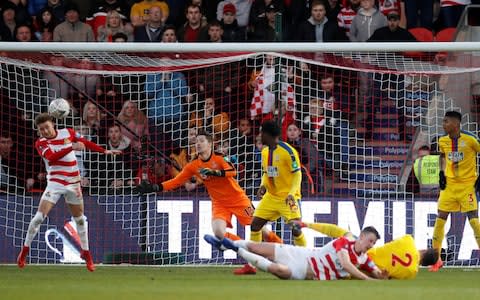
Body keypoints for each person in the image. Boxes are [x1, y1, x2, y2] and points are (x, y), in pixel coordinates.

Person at [136, 129, 282, 274]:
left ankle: (281, 249)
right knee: (219, 233)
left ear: (210, 144)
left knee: (261, 229)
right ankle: (247, 249)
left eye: (201, 141)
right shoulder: (193, 165)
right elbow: (177, 181)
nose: (198, 144)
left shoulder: (219, 158)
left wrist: (214, 173)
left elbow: (232, 172)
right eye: (196, 141)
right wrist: (155, 187)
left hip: (238, 200)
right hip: (219, 203)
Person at [16, 113, 121, 272]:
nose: (45, 131)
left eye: (47, 127)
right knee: (38, 218)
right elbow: (51, 158)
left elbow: (84, 142)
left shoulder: (68, 133)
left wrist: (104, 151)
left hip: (73, 182)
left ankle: (86, 254)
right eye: (41, 129)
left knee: (79, 220)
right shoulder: (41, 143)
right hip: (55, 183)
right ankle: (25, 250)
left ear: (53, 125)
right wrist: (70, 147)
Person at [204, 226, 388, 280]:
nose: (371, 245)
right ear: (362, 236)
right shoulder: (344, 242)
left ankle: (234, 248)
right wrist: (368, 280)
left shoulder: (364, 258)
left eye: (374, 243)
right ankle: (224, 246)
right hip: (301, 254)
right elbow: (346, 264)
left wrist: (383, 275)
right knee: (255, 247)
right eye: (370, 241)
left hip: (303, 271)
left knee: (280, 271)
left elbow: (377, 272)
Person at [292, 221, 439, 279]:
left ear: (425, 250)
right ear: (425, 264)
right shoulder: (412, 272)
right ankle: (300, 239)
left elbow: (392, 244)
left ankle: (305, 226)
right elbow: (388, 277)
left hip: (362, 255)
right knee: (311, 267)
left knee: (345, 234)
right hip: (361, 271)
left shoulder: (409, 240)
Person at [430, 111, 480, 272]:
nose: (443, 124)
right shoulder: (442, 140)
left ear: (456, 124)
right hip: (449, 187)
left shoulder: (471, 140)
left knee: (473, 220)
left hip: (467, 186)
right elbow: (443, 157)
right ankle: (436, 259)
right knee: (440, 219)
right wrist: (441, 173)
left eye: (446, 122)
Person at [250, 121, 306, 248]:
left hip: (288, 197)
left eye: (262, 133)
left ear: (268, 135)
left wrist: (291, 194)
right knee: (255, 225)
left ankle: (306, 260)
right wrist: (263, 185)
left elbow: (297, 174)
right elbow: (267, 171)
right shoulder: (265, 152)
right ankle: (253, 263)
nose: (260, 136)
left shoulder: (288, 152)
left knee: (296, 228)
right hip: (271, 197)